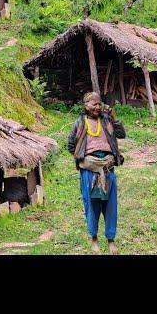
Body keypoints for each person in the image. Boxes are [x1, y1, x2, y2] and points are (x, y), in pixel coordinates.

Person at [67, 92, 126, 254]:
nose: (97, 107)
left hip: (108, 168)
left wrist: (115, 118)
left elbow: (121, 134)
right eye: (94, 104)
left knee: (110, 205)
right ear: (86, 105)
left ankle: (111, 239)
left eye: (99, 104)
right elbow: (71, 144)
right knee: (91, 204)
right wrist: (84, 160)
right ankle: (94, 238)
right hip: (89, 170)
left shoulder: (106, 120)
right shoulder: (80, 122)